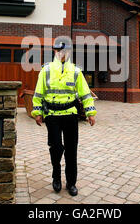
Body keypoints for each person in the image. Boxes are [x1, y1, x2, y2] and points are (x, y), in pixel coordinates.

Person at [31, 41, 96, 197]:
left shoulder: (75, 71)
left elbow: (85, 93)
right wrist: (37, 112)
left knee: (71, 150)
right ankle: (56, 178)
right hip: (52, 115)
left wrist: (90, 112)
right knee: (56, 148)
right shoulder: (45, 70)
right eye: (59, 49)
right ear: (54, 50)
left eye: (65, 50)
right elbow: (38, 93)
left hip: (70, 115)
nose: (62, 52)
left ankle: (71, 183)